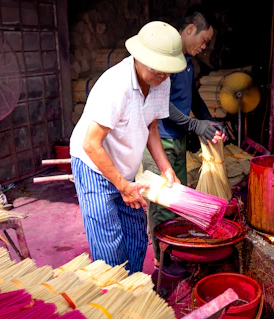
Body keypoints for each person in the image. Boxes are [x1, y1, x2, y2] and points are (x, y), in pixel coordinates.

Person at [69, 21, 187, 275]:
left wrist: (166, 169)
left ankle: (134, 291)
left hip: (125, 167)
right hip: (93, 164)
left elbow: (151, 126)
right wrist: (122, 185)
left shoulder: (160, 81)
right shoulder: (115, 85)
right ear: (140, 57)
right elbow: (91, 143)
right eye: (158, 68)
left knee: (135, 235)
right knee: (109, 242)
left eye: (168, 71)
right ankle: (113, 300)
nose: (163, 75)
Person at [142, 5, 227, 277]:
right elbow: (162, 103)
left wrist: (208, 121)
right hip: (160, 141)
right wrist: (195, 125)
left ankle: (173, 252)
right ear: (190, 30)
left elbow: (193, 97)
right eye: (203, 40)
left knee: (176, 201)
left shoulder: (188, 63)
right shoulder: (167, 60)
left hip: (176, 140)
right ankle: (161, 260)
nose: (204, 47)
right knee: (161, 204)